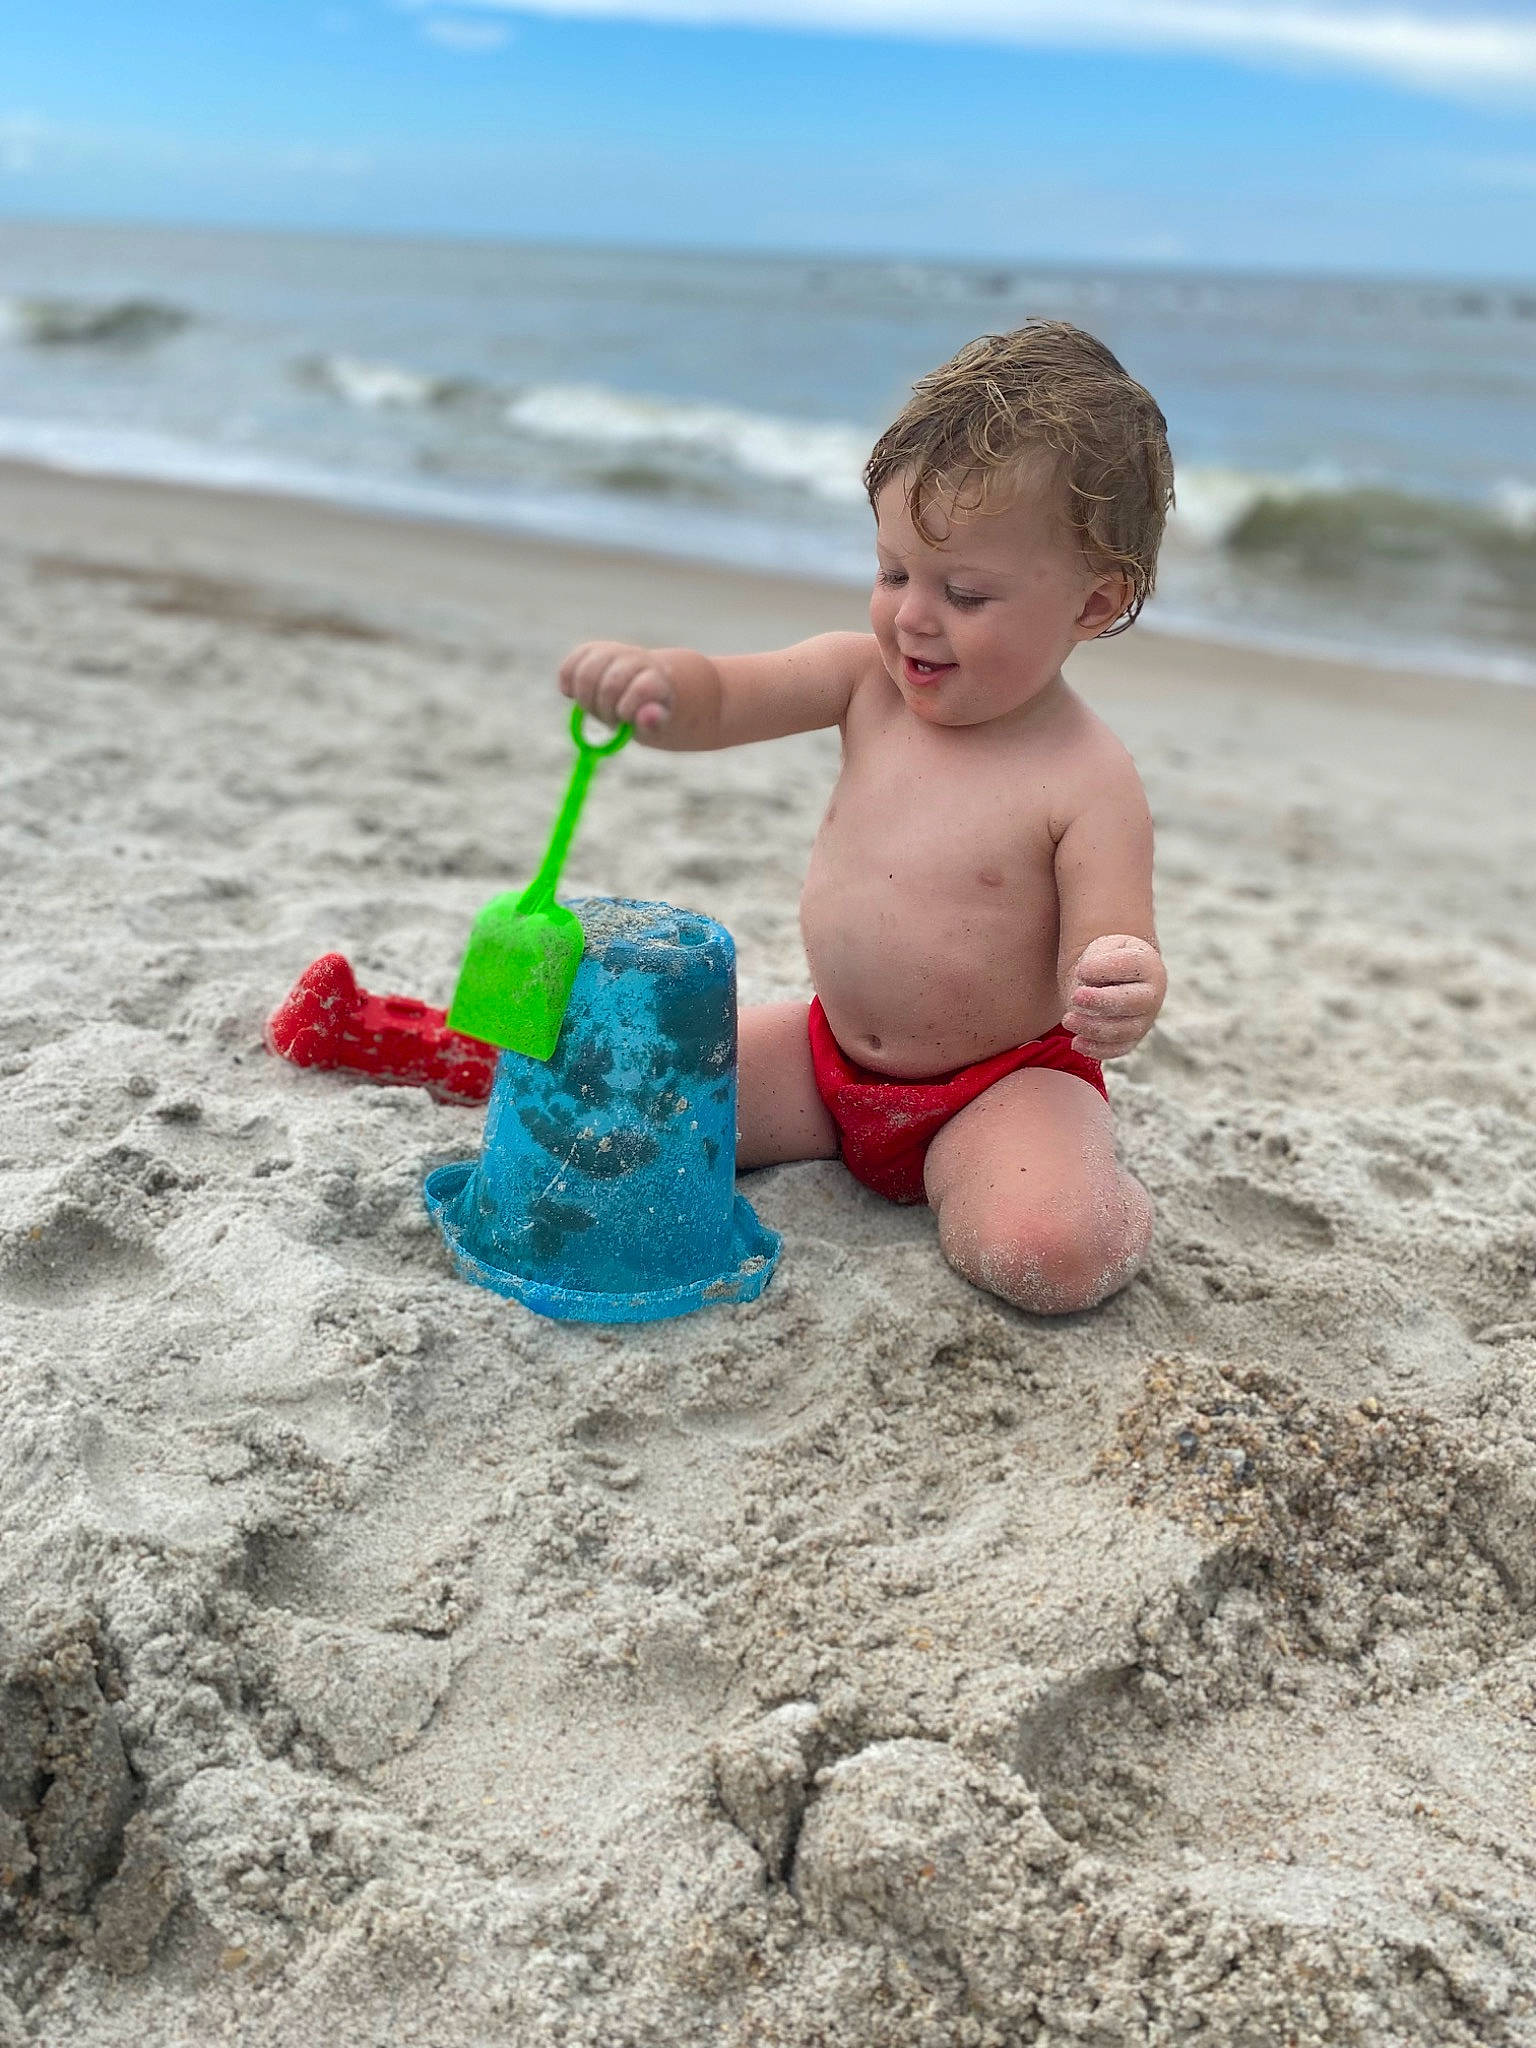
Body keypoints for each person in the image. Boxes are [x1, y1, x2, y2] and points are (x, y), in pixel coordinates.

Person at [559, 321, 1174, 1315]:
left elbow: (1111, 943)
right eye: (893, 572)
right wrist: (656, 686)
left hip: (1000, 1088)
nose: (912, 616)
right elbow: (725, 696)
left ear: (1094, 604)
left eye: (964, 592)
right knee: (627, 1110)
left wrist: (1120, 981)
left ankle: (1110, 1202)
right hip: (824, 1062)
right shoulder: (862, 682)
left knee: (1044, 1254)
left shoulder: (1088, 777)